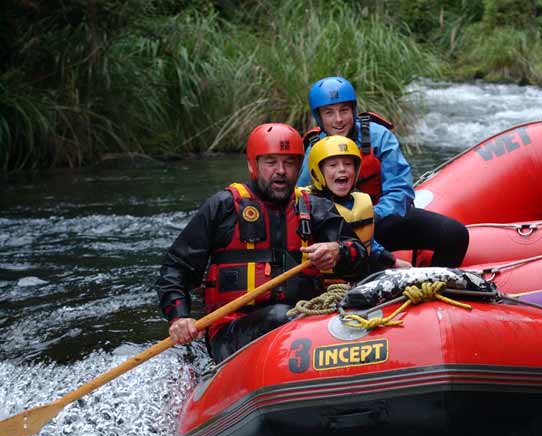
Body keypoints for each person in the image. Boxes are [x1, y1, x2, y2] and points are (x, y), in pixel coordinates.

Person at [155, 123, 368, 363]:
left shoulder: (315, 207)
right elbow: (176, 269)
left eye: (289, 163)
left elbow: (359, 254)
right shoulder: (223, 207)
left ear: (299, 167)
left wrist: (338, 251)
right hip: (232, 330)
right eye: (271, 162)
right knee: (280, 316)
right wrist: (179, 317)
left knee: (291, 316)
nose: (280, 171)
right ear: (252, 165)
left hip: (306, 323)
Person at [298, 76, 469, 268]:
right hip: (337, 230)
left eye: (344, 110)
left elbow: (400, 189)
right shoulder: (314, 149)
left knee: (454, 234)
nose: (338, 120)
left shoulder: (378, 136)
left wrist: (370, 217)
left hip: (383, 220)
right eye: (329, 113)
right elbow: (303, 199)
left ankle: (435, 286)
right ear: (319, 117)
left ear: (353, 110)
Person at [305, 134, 412, 274]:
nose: (342, 169)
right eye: (332, 165)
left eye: (348, 164)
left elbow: (368, 244)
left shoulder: (357, 203)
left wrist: (392, 261)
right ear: (317, 172)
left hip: (359, 275)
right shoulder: (308, 206)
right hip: (325, 285)